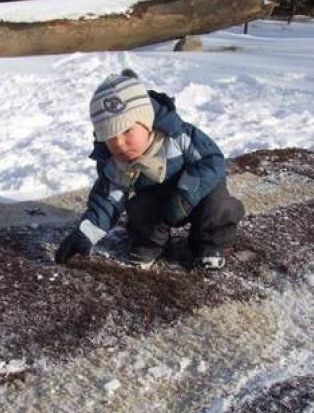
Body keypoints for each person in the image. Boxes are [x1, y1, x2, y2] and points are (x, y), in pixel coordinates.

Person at [54, 69, 244, 270]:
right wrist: (86, 234)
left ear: (146, 121)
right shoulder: (116, 162)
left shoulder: (178, 136)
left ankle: (208, 246)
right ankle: (152, 245)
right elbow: (107, 200)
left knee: (219, 206)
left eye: (127, 130)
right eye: (110, 136)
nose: (119, 143)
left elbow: (211, 160)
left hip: (197, 195)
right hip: (158, 202)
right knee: (138, 208)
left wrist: (186, 195)